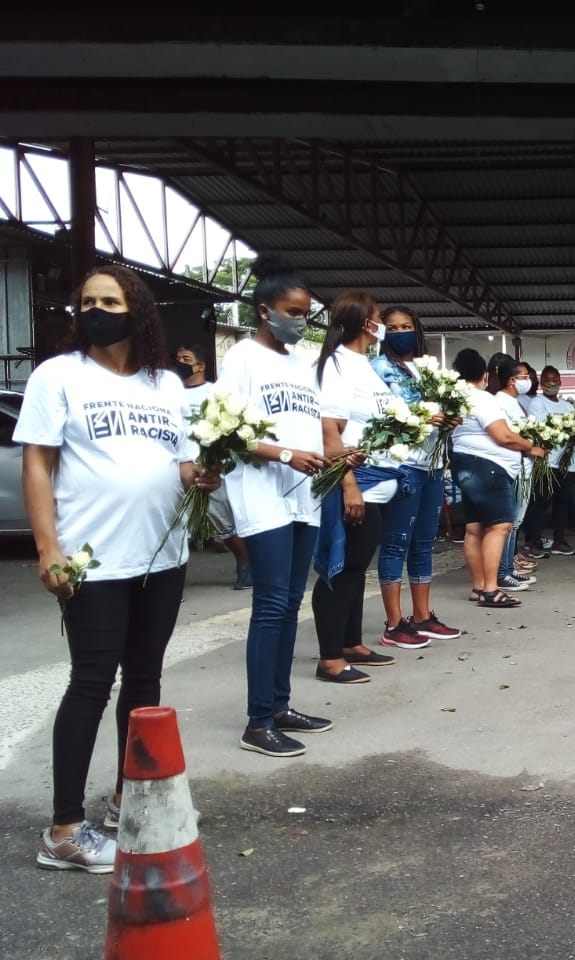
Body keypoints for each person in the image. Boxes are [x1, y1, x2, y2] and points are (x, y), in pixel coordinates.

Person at [17, 264, 219, 870]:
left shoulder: (166, 385)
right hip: (94, 558)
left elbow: (181, 463)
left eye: (109, 300)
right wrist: (48, 548)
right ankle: (63, 829)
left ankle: (131, 797)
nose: (96, 310)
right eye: (87, 302)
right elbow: (37, 465)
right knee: (90, 684)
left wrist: (205, 473)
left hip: (162, 554)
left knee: (144, 681)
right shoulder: (58, 376)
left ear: (137, 309)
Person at [218, 256, 334, 757]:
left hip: (303, 497)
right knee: (269, 605)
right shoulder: (242, 358)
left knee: (290, 604)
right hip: (264, 494)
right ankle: (258, 720)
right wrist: (285, 454)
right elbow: (226, 430)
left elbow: (308, 427)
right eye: (293, 311)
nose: (301, 320)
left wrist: (334, 458)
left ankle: (281, 705)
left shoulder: (300, 364)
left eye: (306, 312)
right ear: (265, 311)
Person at [312, 290, 400, 682]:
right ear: (367, 323)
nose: (382, 324)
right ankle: (330, 657)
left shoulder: (365, 365)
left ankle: (351, 643)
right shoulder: (336, 365)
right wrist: (348, 484)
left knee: (357, 565)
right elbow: (329, 428)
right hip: (354, 480)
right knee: (342, 568)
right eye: (379, 317)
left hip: (377, 480)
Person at [369, 306, 463, 648]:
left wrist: (450, 417)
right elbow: (381, 415)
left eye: (406, 326)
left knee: (424, 542)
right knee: (397, 542)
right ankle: (395, 623)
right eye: (391, 327)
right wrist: (425, 415)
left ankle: (422, 616)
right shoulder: (377, 369)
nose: (399, 332)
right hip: (403, 463)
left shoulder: (427, 370)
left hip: (432, 463)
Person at [450, 348, 546, 607]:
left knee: (474, 528)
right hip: (488, 469)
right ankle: (492, 589)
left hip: (465, 465)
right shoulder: (482, 399)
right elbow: (502, 435)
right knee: (501, 525)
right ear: (484, 375)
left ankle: (479, 587)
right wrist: (529, 445)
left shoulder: (455, 400)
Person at [174, 343, 252, 589]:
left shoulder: (214, 392)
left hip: (210, 469)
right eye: (177, 358)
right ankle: (173, 583)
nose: (180, 363)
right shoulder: (170, 393)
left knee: (225, 525)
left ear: (201, 366)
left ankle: (245, 564)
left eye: (186, 358)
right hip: (178, 469)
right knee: (176, 527)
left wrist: (215, 459)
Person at [488, 353, 538, 594]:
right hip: (514, 467)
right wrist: (530, 447)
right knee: (508, 523)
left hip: (524, 466)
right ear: (511, 380)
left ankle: (508, 568)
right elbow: (505, 436)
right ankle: (502, 573)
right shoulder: (500, 402)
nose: (528, 380)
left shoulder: (515, 402)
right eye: (524, 377)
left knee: (515, 523)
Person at [526, 365, 575, 557]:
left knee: (562, 502)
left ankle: (560, 540)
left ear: (560, 381)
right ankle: (535, 542)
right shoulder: (537, 403)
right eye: (547, 379)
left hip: (567, 462)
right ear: (541, 383)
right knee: (540, 503)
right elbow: (540, 430)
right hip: (547, 462)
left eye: (555, 378)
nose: (551, 382)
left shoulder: (568, 406)